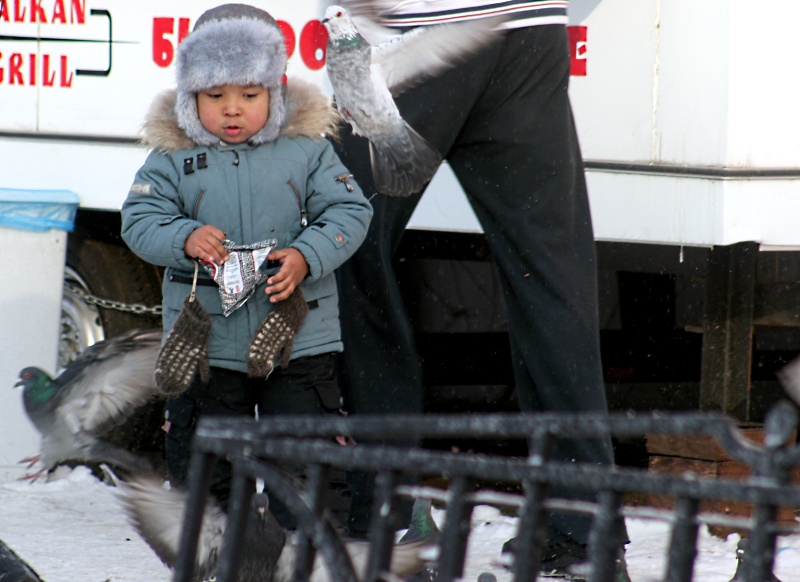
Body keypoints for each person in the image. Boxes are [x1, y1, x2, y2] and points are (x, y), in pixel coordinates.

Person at [330, 1, 630, 578]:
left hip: (414, 34)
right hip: (528, 30)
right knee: (550, 279)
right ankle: (582, 528)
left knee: (344, 253)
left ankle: (384, 511)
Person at [120, 4, 372, 529]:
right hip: (206, 349)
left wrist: (307, 255)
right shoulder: (171, 156)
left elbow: (351, 211)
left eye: (249, 96)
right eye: (215, 97)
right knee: (206, 469)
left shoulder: (307, 148)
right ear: (191, 95)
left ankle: (309, 555)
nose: (232, 111)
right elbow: (139, 219)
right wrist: (184, 236)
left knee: (306, 465)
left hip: (299, 343)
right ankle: (215, 554)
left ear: (275, 90)